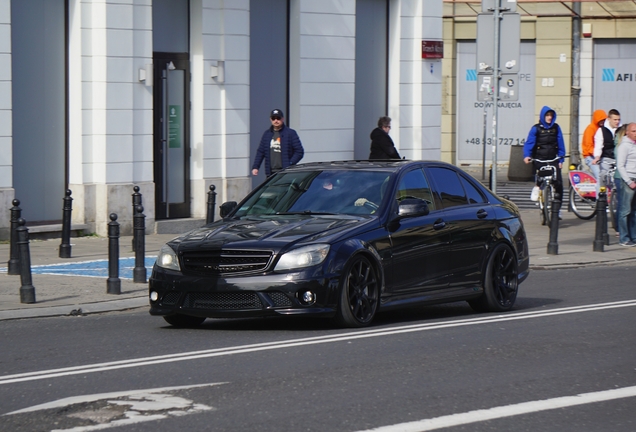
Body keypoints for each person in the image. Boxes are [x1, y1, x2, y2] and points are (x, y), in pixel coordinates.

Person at [523, 106, 566, 207]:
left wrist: (561, 159)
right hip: (540, 158)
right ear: (543, 116)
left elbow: (561, 144)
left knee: (558, 183)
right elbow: (529, 143)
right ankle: (537, 187)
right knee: (540, 177)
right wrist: (527, 156)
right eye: (547, 115)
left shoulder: (556, 128)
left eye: (551, 115)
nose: (549, 117)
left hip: (553, 158)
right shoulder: (536, 129)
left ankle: (558, 210)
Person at [252, 109, 304, 177]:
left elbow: (299, 151)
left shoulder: (290, 133)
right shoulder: (267, 134)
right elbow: (260, 152)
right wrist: (255, 167)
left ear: (283, 119)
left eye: (278, 118)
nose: (276, 121)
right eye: (273, 118)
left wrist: (290, 163)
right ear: (270, 119)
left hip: (286, 172)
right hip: (271, 173)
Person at [616, 122, 636, 247]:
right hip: (629, 180)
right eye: (633, 131)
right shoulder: (624, 146)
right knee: (625, 210)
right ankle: (624, 238)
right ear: (627, 132)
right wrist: (629, 181)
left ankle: (633, 236)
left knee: (634, 211)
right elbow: (620, 166)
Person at [594, 109, 621, 189]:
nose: (617, 122)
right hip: (606, 158)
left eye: (618, 119)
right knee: (603, 175)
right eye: (615, 120)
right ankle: (601, 196)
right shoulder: (601, 130)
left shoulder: (621, 130)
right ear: (609, 119)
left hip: (618, 159)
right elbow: (599, 145)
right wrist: (597, 156)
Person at [581, 109, 606, 182]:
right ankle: (598, 193)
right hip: (589, 156)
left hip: (597, 156)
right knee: (599, 175)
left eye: (604, 120)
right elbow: (589, 146)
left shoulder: (601, 129)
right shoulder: (590, 129)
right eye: (600, 120)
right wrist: (597, 154)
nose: (602, 122)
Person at [613, 124, 627, 235]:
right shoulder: (620, 145)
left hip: (626, 176)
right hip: (620, 176)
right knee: (622, 203)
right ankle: (619, 228)